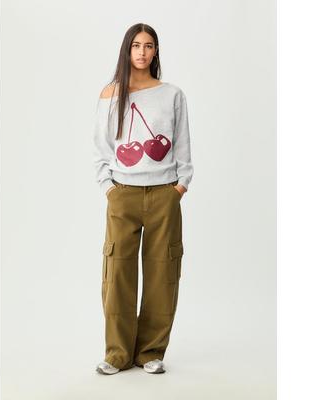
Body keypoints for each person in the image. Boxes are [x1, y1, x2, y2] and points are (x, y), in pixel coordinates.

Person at [92, 23, 194, 375]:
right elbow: (102, 147)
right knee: (117, 273)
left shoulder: (172, 95)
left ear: (155, 52)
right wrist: (109, 188)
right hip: (123, 194)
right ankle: (117, 354)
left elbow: (182, 143)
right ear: (127, 49)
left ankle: (150, 351)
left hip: (165, 194)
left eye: (149, 46)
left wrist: (180, 186)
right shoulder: (111, 94)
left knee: (163, 273)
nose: (142, 52)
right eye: (136, 45)